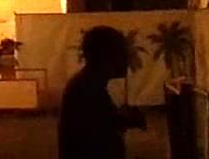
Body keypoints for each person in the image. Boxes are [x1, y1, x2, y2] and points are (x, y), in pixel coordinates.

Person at [58, 26, 146, 159]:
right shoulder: (87, 89)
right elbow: (98, 140)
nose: (127, 58)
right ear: (107, 56)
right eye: (122, 52)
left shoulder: (88, 85)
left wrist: (122, 119)